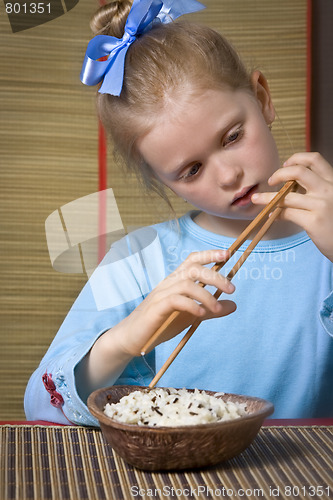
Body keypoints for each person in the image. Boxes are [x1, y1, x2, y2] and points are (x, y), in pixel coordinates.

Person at [25, 0, 333, 425]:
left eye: (232, 136)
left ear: (262, 99)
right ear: (161, 180)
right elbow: (42, 406)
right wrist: (127, 338)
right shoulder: (138, 259)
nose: (228, 175)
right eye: (191, 170)